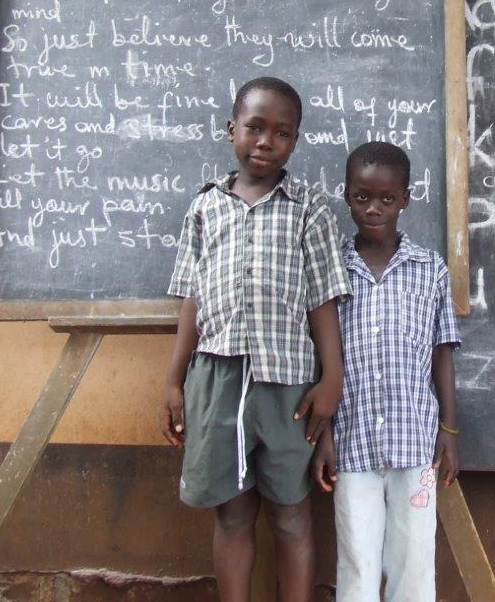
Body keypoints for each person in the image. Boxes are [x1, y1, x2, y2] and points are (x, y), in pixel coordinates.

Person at [160, 76, 350, 602]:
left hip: (288, 385)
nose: (266, 141)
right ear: (231, 130)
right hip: (218, 379)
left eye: (281, 133)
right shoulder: (205, 208)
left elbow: (323, 299)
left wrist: (331, 378)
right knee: (233, 513)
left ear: (295, 141)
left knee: (292, 516)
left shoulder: (309, 209)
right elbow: (191, 299)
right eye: (255, 127)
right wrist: (174, 379)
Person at [313, 141, 461, 602]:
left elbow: (442, 352)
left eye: (386, 199)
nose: (373, 209)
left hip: (415, 437)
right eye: (362, 197)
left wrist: (450, 430)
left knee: (414, 559)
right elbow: (318, 357)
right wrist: (323, 436)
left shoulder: (429, 269)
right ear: (346, 195)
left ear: (405, 198)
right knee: (356, 558)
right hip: (351, 438)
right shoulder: (331, 267)